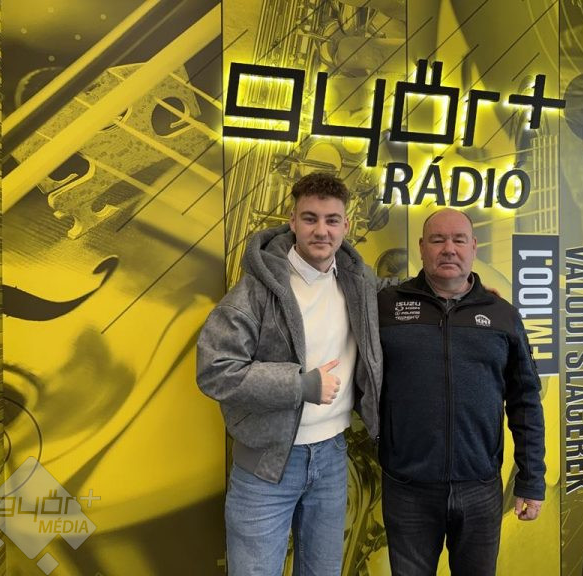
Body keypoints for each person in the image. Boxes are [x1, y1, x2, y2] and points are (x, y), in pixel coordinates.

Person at [195, 171, 382, 576]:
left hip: (333, 457)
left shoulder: (358, 281)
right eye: (310, 218)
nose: (321, 230)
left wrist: (467, 291)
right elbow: (215, 369)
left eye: (332, 220)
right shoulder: (255, 290)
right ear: (292, 221)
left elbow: (396, 290)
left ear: (346, 226)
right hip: (266, 464)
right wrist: (300, 385)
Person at [377, 208, 546, 576]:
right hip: (408, 489)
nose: (448, 249)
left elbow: (525, 401)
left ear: (474, 246)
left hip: (479, 488)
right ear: (422, 247)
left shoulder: (502, 315)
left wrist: (532, 479)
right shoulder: (386, 307)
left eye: (458, 240)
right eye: (437, 240)